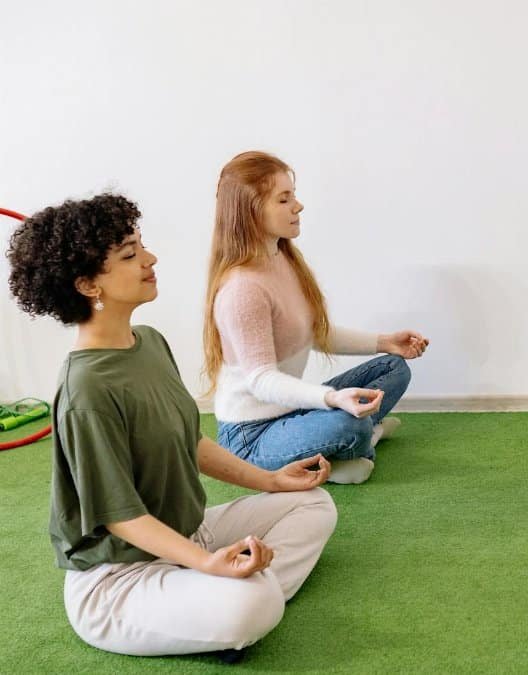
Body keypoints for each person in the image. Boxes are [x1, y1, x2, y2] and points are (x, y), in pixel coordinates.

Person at [6, 193, 337, 658]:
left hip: (188, 533)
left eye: (142, 245)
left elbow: (189, 440)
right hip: (120, 579)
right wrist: (207, 563)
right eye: (130, 254)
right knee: (255, 602)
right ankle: (229, 599)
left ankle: (215, 598)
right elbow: (120, 517)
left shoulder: (150, 343)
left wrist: (271, 481)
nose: (150, 258)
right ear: (87, 285)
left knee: (313, 504)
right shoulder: (86, 390)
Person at [204, 151, 429, 484]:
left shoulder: (282, 259)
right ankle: (362, 439)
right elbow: (262, 381)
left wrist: (385, 343)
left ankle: (357, 441)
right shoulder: (242, 290)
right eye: (284, 199)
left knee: (392, 368)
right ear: (252, 210)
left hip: (293, 410)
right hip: (252, 436)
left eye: (293, 196)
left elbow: (313, 332)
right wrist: (330, 399)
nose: (298, 206)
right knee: (347, 422)